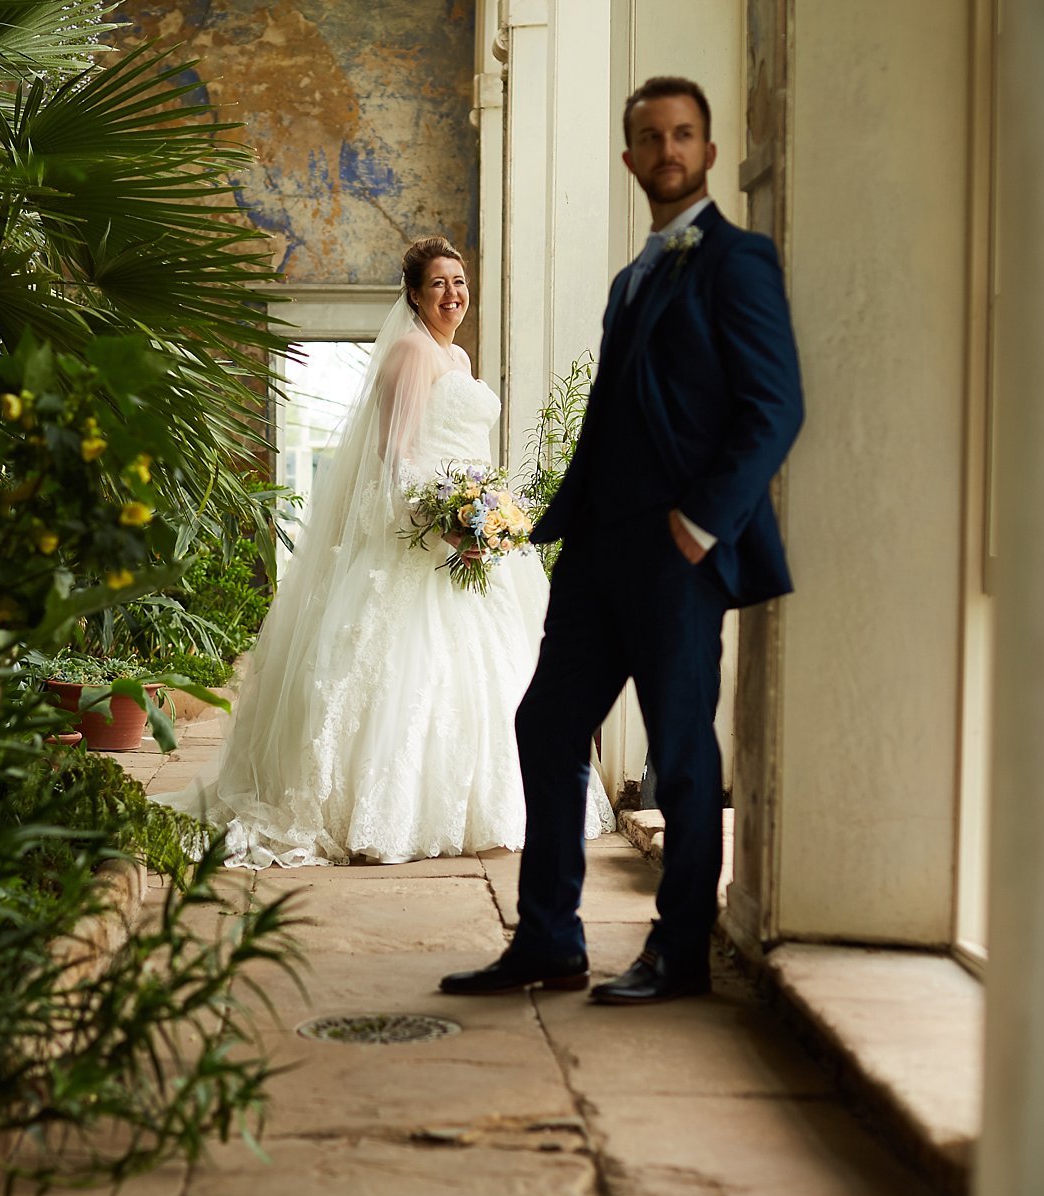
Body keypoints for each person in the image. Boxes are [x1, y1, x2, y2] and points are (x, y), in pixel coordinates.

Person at [441, 76, 804, 1001]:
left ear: (708, 152)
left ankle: (679, 953)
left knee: (680, 754)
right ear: (630, 157)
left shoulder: (739, 261)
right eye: (650, 136)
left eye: (683, 134)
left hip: (678, 554)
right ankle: (550, 940)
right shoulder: (629, 278)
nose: (667, 149)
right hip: (599, 552)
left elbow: (774, 407)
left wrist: (700, 523)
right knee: (546, 725)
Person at [157, 236, 613, 867]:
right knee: (408, 673)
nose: (453, 294)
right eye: (438, 284)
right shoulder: (409, 352)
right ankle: (385, 815)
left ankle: (497, 804)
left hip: (474, 528)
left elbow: (463, 449)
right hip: (429, 533)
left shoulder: (457, 358)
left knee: (495, 671)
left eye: (459, 282)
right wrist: (444, 524)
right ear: (415, 295)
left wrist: (489, 516)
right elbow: (394, 457)